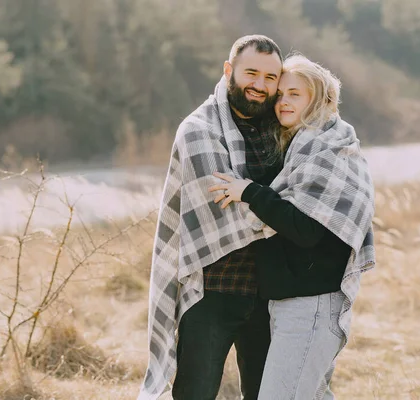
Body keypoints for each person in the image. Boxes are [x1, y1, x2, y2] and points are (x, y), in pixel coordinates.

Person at [209, 54, 376, 399]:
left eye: (295, 94)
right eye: (280, 94)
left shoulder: (326, 148)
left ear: (320, 99)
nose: (283, 101)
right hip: (294, 305)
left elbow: (306, 229)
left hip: (311, 308)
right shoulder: (301, 146)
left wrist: (250, 193)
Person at [138, 35, 285, 400]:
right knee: (194, 393)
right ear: (228, 70)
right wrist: (290, 213)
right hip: (212, 291)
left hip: (272, 291)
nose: (260, 86)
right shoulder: (198, 130)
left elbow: (307, 188)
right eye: (251, 73)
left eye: (271, 77)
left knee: (270, 394)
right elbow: (229, 210)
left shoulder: (285, 130)